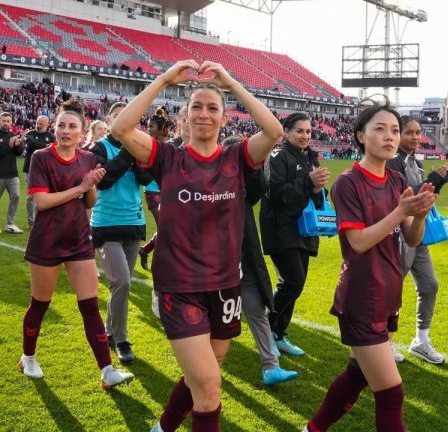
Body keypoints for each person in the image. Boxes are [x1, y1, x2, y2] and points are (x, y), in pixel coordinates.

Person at [111, 59, 283, 432]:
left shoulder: (237, 157)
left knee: (206, 374)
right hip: (180, 285)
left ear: (224, 118)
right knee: (209, 388)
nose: (204, 114)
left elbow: (273, 130)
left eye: (212, 108)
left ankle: (164, 426)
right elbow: (121, 127)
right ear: (184, 118)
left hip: (225, 285)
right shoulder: (168, 157)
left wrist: (232, 83)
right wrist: (163, 80)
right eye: (196, 108)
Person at [304, 103, 437, 432]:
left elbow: (412, 237)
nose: (389, 136)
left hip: (388, 294)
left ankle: (313, 429)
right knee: (391, 394)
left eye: (394, 130)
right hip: (362, 298)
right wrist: (399, 211)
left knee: (357, 374)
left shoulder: (396, 178)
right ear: (361, 136)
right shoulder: (347, 183)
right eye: (380, 129)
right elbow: (359, 242)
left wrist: (417, 214)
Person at [18, 99, 135, 389]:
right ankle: (28, 356)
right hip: (46, 240)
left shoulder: (87, 159)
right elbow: (42, 202)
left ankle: (107, 370)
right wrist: (80, 188)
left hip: (78, 240)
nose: (65, 131)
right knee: (40, 304)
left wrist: (92, 185)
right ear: (55, 128)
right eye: (61, 125)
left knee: (90, 306)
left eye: (72, 126)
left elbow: (90, 202)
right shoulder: (41, 157)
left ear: (83, 132)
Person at [386, 117, 448, 365]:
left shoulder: (416, 162)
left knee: (430, 285)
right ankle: (384, 342)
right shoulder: (391, 162)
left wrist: (438, 183)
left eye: (418, 133)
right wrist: (432, 182)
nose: (416, 137)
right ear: (398, 134)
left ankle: (420, 340)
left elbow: (424, 197)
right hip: (397, 236)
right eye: (410, 132)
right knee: (391, 291)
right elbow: (403, 199)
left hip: (418, 236)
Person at [225, 135, 298, 386]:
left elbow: (260, 187)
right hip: (215, 263)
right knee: (214, 318)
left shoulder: (248, 183)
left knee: (256, 308)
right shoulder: (211, 182)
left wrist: (255, 164)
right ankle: (203, 369)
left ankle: (270, 366)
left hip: (245, 257)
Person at [259, 113, 330, 356]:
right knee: (292, 281)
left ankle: (278, 334)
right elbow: (275, 194)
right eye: (299, 131)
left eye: (308, 131)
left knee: (295, 285)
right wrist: (308, 182)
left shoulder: (310, 158)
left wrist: (319, 189)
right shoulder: (277, 156)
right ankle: (267, 331)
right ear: (286, 133)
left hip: (304, 229)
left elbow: (317, 197)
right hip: (281, 228)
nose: (305, 136)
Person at [88, 101, 151, 363]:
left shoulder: (138, 146)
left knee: (120, 287)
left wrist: (140, 154)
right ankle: (122, 339)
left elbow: (146, 179)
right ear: (111, 120)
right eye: (119, 117)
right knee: (122, 282)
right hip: (106, 224)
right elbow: (104, 180)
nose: (125, 122)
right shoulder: (99, 147)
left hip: (133, 222)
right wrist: (128, 150)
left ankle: (109, 333)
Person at [138, 108, 172, 271]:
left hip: (168, 191)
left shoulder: (170, 145)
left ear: (162, 129)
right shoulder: (148, 145)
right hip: (152, 191)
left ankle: (145, 250)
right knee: (167, 229)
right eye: (148, 126)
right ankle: (159, 264)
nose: (148, 129)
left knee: (170, 229)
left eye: (152, 126)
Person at [0, 112, 25, 234]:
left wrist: (17, 145)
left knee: (16, 196)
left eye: (8, 121)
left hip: (12, 173)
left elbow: (19, 153)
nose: (6, 123)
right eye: (3, 121)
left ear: (11, 123)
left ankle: (10, 224)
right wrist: (9, 146)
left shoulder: (13, 135)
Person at [23, 115, 54, 230]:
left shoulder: (51, 136)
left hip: (45, 170)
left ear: (47, 124)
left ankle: (39, 221)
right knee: (31, 197)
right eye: (37, 122)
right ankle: (32, 223)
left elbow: (55, 148)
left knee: (44, 197)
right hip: (29, 169)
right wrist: (46, 146)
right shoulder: (30, 134)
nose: (38, 125)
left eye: (41, 123)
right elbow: (32, 145)